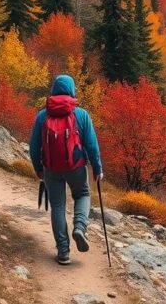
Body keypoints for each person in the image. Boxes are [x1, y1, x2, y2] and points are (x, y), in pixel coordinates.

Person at [29, 75, 103, 265]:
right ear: (72, 90)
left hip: (51, 168)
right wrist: (97, 168)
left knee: (58, 206)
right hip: (76, 167)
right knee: (83, 194)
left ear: (54, 90)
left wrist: (38, 168)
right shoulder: (81, 115)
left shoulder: (42, 115)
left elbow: (33, 145)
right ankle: (79, 227)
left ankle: (63, 251)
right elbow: (92, 145)